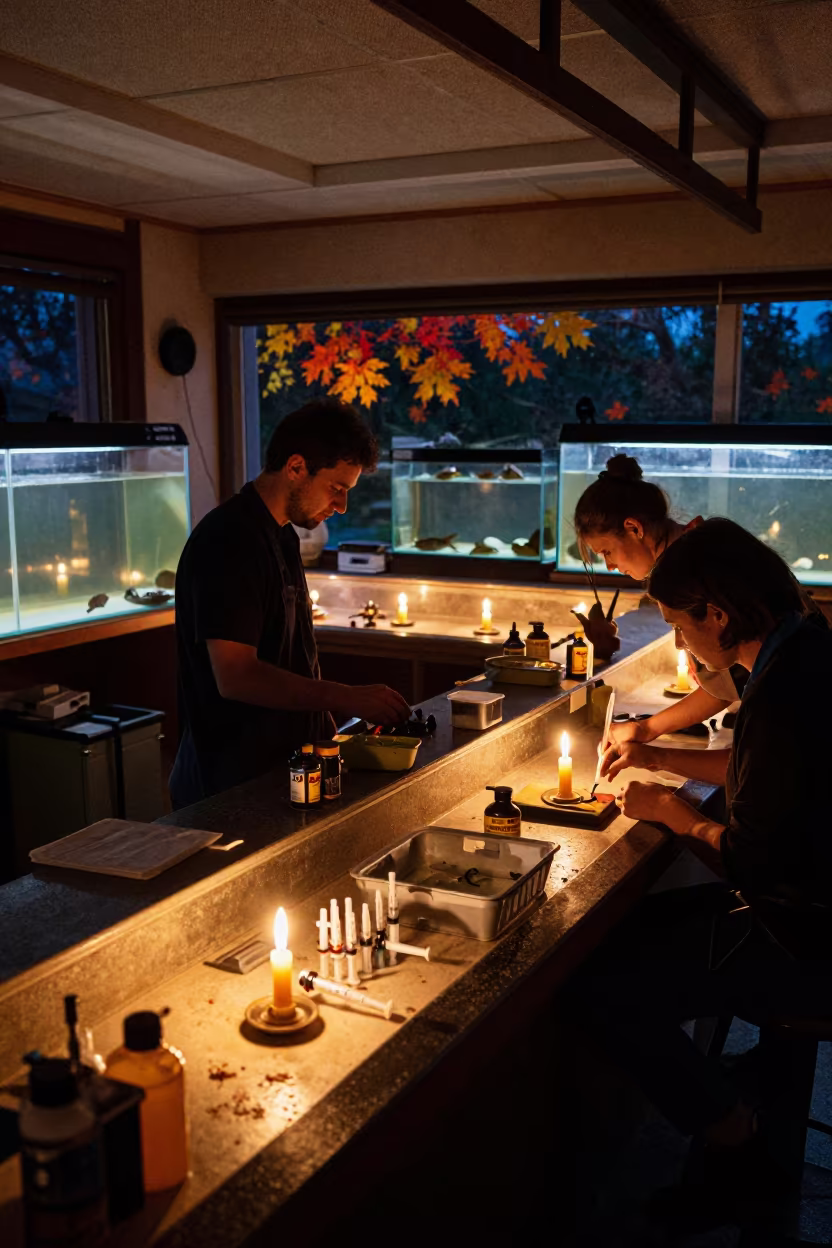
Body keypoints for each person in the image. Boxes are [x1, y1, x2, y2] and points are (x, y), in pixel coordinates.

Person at [570, 519, 832, 1225]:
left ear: (716, 613)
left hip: (808, 940)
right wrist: (658, 756)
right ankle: (729, 1088)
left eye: (680, 627)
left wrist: (671, 812)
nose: (683, 645)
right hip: (807, 908)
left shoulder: (783, 691)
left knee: (601, 981)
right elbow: (760, 772)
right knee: (628, 928)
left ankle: (735, 1142)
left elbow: (752, 863)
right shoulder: (803, 650)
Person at [169, 399, 410, 809]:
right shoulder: (229, 540)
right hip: (229, 784)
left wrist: (323, 726)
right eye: (336, 488)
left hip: (283, 769)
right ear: (296, 467)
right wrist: (343, 696)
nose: (342, 506)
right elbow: (237, 676)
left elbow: (291, 655)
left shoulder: (282, 536)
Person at [574, 454, 746, 748]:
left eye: (606, 552)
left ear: (634, 528)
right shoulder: (699, 545)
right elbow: (728, 683)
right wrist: (645, 729)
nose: (610, 566)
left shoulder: (693, 568)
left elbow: (727, 684)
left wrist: (646, 731)